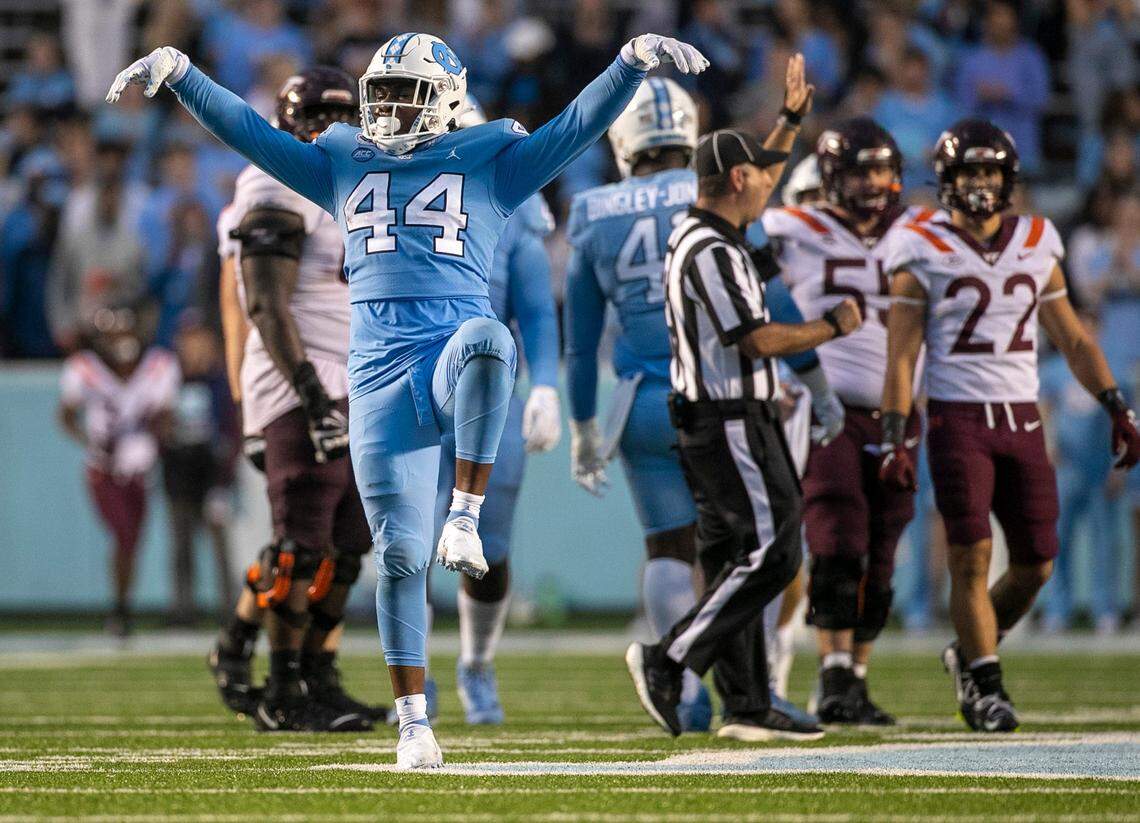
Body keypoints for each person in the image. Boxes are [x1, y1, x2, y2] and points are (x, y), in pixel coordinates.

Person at [108, 30, 709, 768]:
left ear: (447, 100)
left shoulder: (489, 157)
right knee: (397, 556)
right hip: (375, 380)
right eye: (381, 94)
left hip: (448, 360)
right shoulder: (340, 159)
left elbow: (576, 126)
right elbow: (251, 133)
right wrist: (182, 74)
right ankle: (414, 724)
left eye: (404, 93)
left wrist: (626, 64)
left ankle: (464, 513)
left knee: (489, 337)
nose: (388, 108)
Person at [566, 70, 839, 732]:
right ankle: (704, 676)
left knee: (674, 548)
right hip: (725, 397)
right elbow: (771, 298)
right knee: (759, 547)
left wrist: (581, 425)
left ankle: (698, 700)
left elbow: (581, 341)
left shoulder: (594, 211)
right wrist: (818, 379)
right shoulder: (713, 198)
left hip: (643, 402)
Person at [878, 119, 1140, 733]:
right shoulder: (919, 246)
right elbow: (901, 354)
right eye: (969, 171)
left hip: (1023, 418)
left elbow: (1073, 338)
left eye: (990, 171)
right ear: (947, 179)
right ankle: (986, 683)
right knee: (971, 554)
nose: (980, 183)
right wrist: (894, 433)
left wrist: (1116, 406)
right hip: (956, 416)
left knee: (1038, 563)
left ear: (1008, 179)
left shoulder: (1037, 240)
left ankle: (970, 650)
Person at [626, 118, 865, 743]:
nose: (771, 185)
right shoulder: (712, 248)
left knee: (737, 556)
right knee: (775, 553)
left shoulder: (709, 231)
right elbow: (757, 339)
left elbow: (759, 170)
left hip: (719, 418)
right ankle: (669, 657)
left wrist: (788, 122)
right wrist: (833, 327)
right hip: (729, 420)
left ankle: (749, 701)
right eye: (761, 175)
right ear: (738, 179)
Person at [208, 67, 377, 734]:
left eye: (341, 120)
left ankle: (316, 676)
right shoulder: (274, 179)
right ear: (287, 126)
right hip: (298, 379)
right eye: (316, 121)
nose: (329, 134)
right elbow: (260, 302)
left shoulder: (350, 182)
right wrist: (304, 395)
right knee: (300, 542)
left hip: (354, 376)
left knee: (349, 544)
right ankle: (282, 685)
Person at [761, 118, 935, 726]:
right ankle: (832, 670)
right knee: (837, 536)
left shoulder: (921, 230)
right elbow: (734, 242)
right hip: (825, 405)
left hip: (900, 410)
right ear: (832, 175)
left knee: (884, 549)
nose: (873, 182)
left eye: (882, 169)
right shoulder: (794, 226)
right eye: (860, 170)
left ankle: (855, 676)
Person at [433, 98, 562, 726]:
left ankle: (476, 662)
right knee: (400, 539)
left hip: (488, 395)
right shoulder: (390, 193)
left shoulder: (511, 205)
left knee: (489, 545)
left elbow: (536, 306)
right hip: (407, 383)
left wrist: (545, 385)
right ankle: (412, 668)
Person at [58, 304, 180, 637]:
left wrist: (160, 431)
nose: (122, 339)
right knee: (124, 535)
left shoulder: (159, 365)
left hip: (140, 467)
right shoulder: (85, 369)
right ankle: (120, 609)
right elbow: (66, 415)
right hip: (103, 469)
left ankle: (122, 608)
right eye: (114, 331)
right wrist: (90, 441)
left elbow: (166, 415)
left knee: (131, 540)